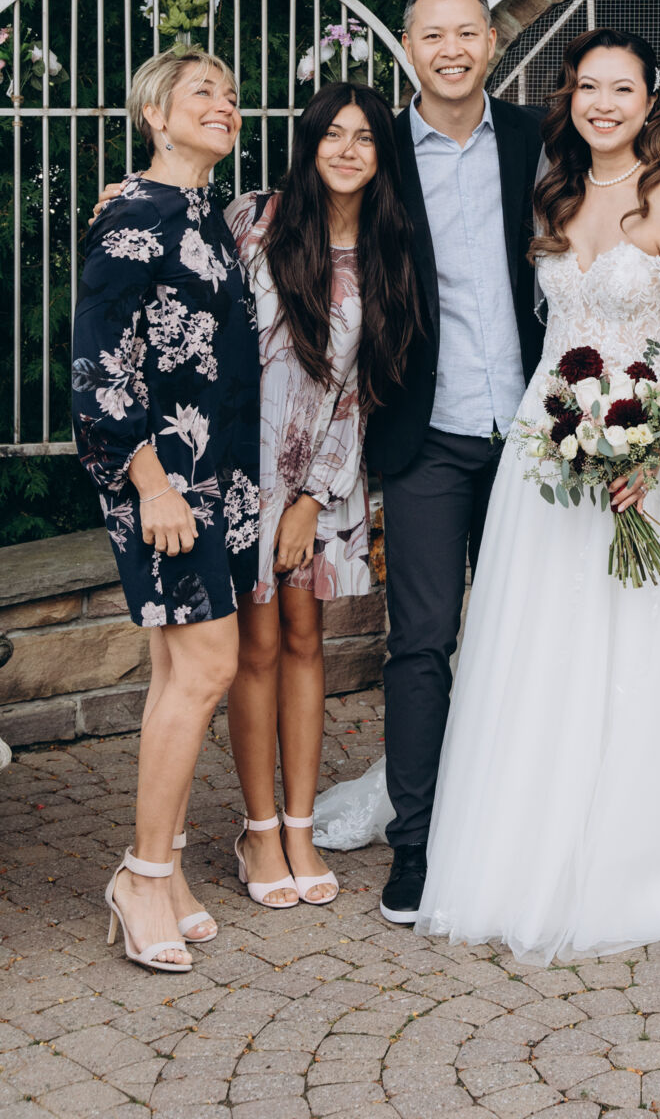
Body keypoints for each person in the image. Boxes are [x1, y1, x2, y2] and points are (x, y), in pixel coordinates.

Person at [412, 27, 660, 960]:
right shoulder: (552, 190)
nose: (604, 104)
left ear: (650, 100)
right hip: (544, 447)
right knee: (539, 635)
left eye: (622, 89)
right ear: (571, 97)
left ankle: (627, 842)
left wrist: (649, 445)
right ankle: (523, 829)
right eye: (589, 87)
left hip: (643, 454)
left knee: (630, 636)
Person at [72, 47, 259, 972]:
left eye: (231, 94)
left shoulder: (206, 214)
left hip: (217, 478)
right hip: (164, 483)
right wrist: (148, 483)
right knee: (208, 665)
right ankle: (141, 879)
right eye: (202, 93)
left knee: (177, 672)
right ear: (156, 113)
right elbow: (99, 361)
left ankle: (169, 870)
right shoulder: (133, 216)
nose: (225, 104)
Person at [363, 0, 545, 925]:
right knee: (422, 644)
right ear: (408, 47)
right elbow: (297, 219)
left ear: (491, 42)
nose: (451, 50)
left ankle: (520, 831)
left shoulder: (537, 138)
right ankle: (417, 843)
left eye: (466, 32)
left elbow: (625, 198)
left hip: (537, 438)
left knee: (531, 637)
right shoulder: (379, 149)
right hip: (425, 434)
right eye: (432, 35)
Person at [223, 83, 419, 911]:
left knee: (306, 641)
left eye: (364, 138)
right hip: (241, 470)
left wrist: (312, 497)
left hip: (324, 478)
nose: (346, 149)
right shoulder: (252, 222)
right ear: (309, 143)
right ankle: (259, 831)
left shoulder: (387, 250)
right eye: (332, 134)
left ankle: (300, 828)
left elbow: (365, 391)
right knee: (256, 647)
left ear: (381, 156)